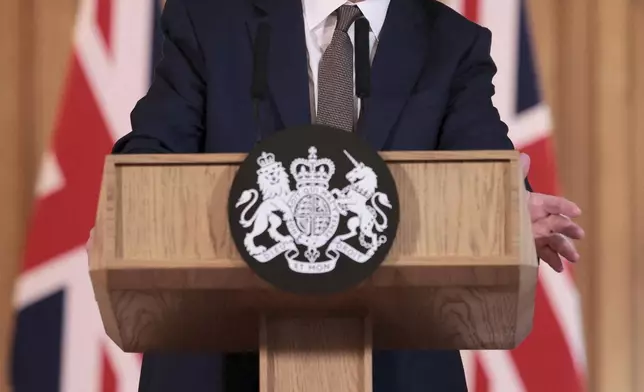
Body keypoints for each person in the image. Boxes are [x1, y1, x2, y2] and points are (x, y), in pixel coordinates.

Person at [106, 0, 585, 390]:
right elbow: (151, 159)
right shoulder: (209, 19)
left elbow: (482, 161)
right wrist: (131, 204)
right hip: (218, 366)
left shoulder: (451, 43)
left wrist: (507, 205)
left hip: (397, 366)